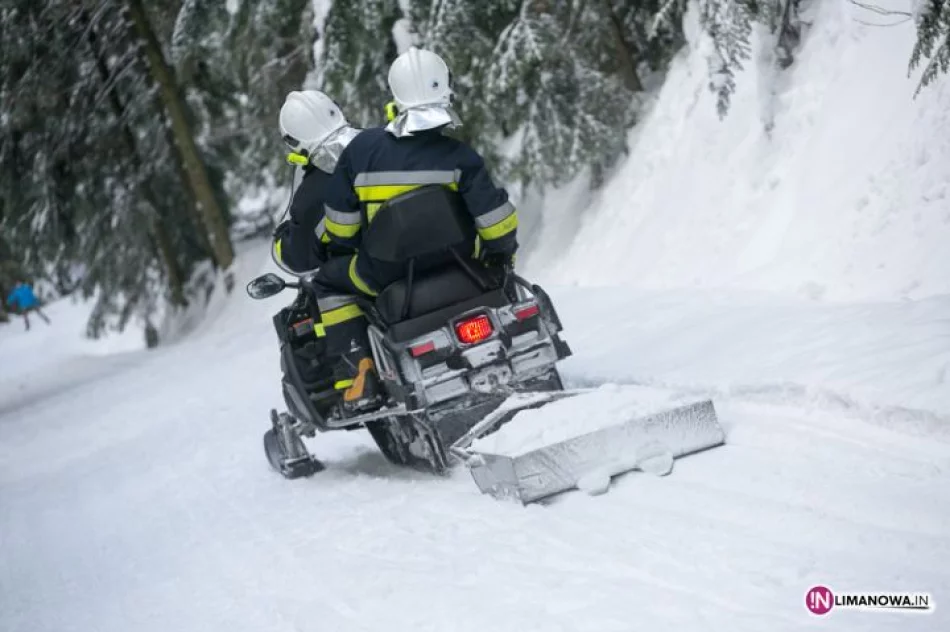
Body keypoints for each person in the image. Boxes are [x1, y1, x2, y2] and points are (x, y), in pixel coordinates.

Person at [315, 46, 519, 412]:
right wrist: (499, 257)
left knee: (328, 283)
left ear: (396, 94)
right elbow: (498, 224)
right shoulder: (460, 157)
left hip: (385, 278)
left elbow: (340, 228)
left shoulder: (361, 152)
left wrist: (343, 249)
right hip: (461, 267)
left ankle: (357, 374)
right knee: (503, 264)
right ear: (446, 92)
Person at [271, 90, 361, 275]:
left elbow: (299, 258)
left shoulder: (311, 196)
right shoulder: (381, 142)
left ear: (293, 141)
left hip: (371, 281)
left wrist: (281, 237)